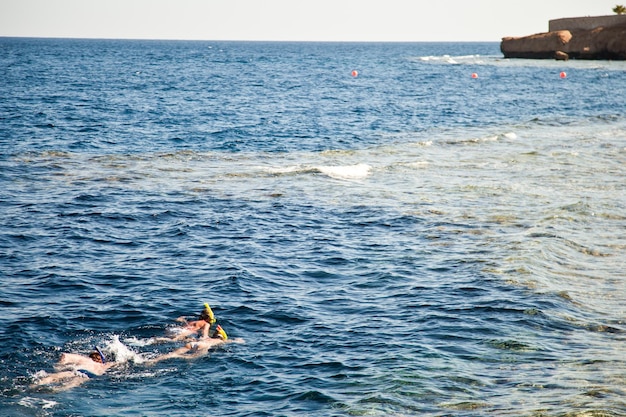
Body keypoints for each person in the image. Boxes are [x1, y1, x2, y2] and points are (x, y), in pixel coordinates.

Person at [31, 347, 117, 391]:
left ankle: (33, 386)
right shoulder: (103, 365)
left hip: (75, 371)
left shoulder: (85, 359)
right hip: (86, 375)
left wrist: (59, 367)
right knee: (68, 385)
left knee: (52, 377)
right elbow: (117, 362)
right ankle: (52, 391)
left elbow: (64, 356)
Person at [145, 324, 241, 364]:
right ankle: (179, 357)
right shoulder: (220, 341)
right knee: (190, 358)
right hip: (202, 347)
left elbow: (204, 331)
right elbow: (239, 341)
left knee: (172, 353)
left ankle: (154, 360)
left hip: (194, 343)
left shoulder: (206, 337)